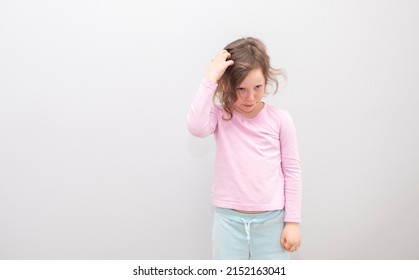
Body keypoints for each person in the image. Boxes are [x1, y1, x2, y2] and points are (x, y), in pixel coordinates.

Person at [187, 37, 302, 260]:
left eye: (257, 87)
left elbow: (292, 171)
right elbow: (195, 127)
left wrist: (293, 222)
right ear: (226, 85)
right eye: (241, 89)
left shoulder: (280, 120)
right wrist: (210, 77)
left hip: (272, 222)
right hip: (228, 222)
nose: (250, 97)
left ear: (266, 80)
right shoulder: (221, 115)